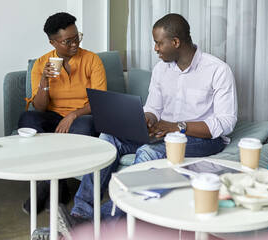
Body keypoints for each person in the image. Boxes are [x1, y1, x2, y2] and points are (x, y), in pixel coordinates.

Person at [69, 13, 237, 222]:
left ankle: (101, 224)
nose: (155, 48)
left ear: (175, 42)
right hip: (163, 131)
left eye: (159, 43)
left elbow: (226, 122)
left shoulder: (218, 70)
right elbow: (153, 108)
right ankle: (80, 214)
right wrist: (146, 119)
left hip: (203, 139)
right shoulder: (161, 69)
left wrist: (177, 127)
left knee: (148, 151)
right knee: (108, 138)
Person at [18, 12, 107, 214]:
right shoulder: (41, 65)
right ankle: (58, 186)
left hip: (83, 116)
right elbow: (39, 107)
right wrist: (44, 82)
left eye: (77, 38)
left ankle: (45, 187)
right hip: (53, 116)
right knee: (27, 119)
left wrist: (73, 115)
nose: (75, 44)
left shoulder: (92, 61)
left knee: (84, 127)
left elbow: (99, 101)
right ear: (53, 43)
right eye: (68, 42)